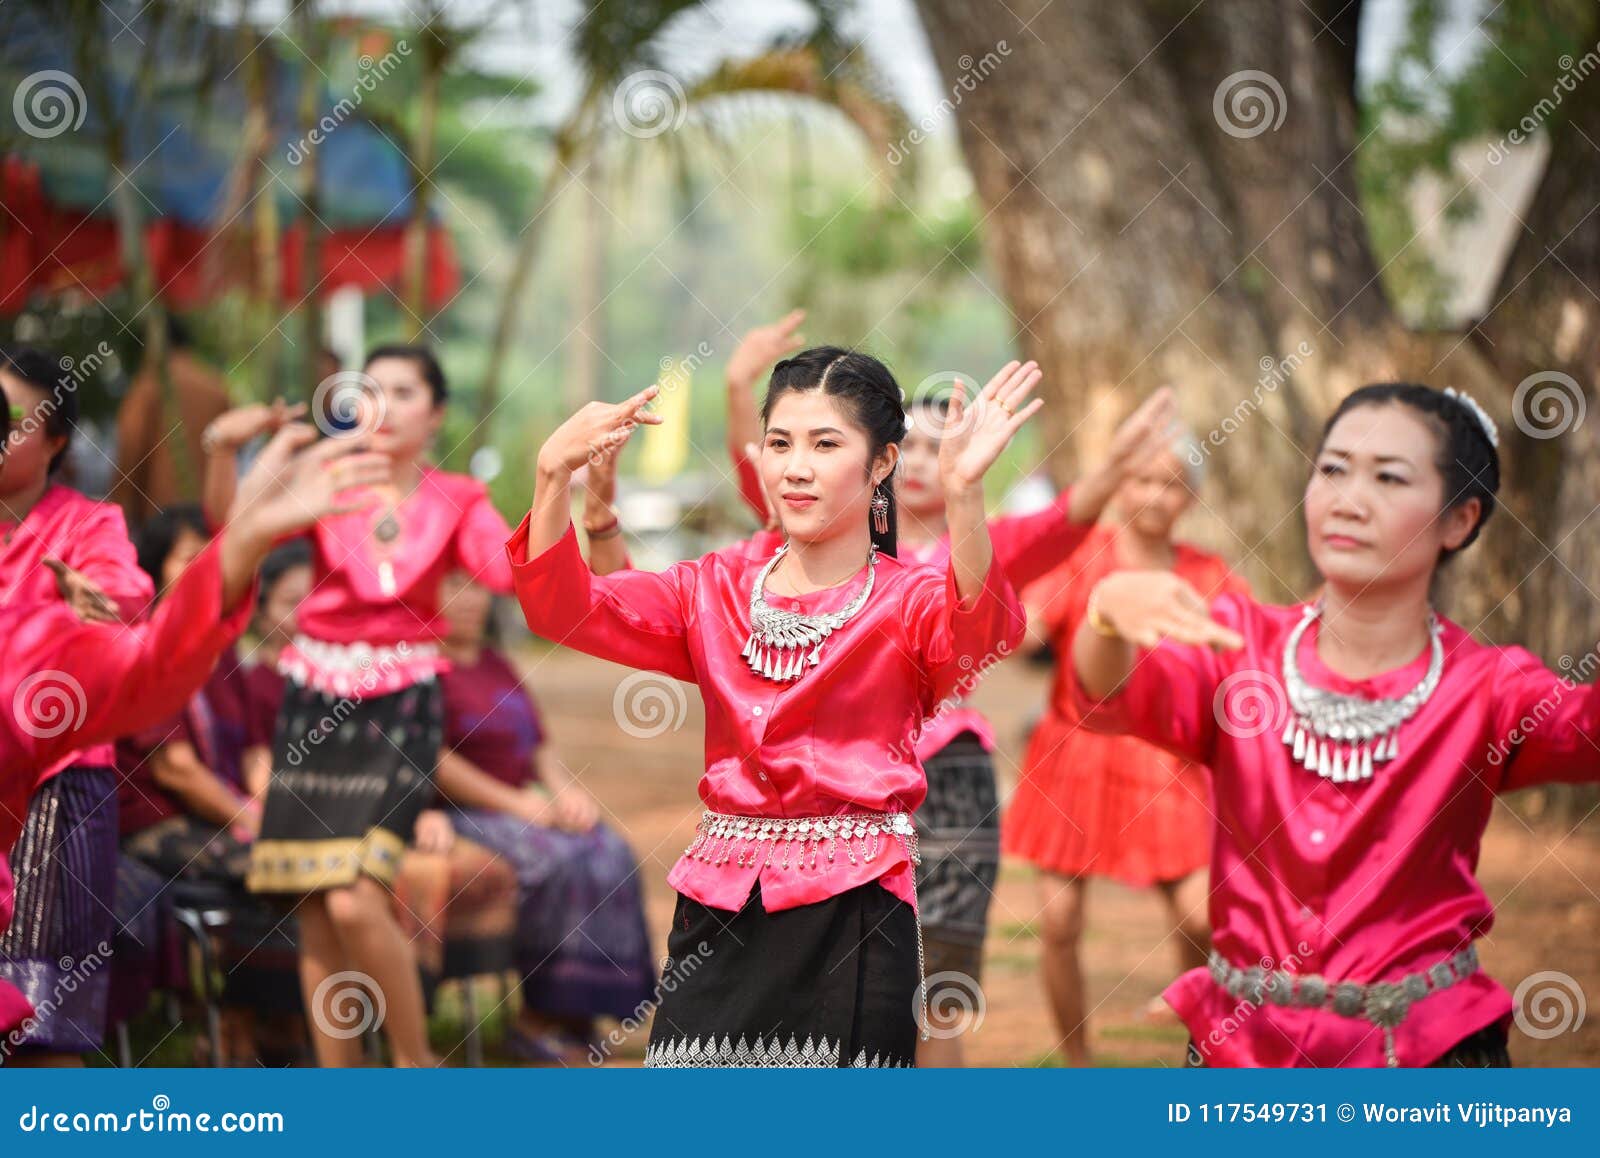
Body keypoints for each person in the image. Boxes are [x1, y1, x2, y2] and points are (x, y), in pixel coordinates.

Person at [509, 349, 1041, 1067]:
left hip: (852, 909)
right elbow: (564, 610)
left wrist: (965, 494)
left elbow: (981, 628)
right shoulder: (712, 588)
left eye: (826, 444)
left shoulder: (907, 601)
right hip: (718, 909)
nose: (796, 466)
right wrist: (552, 476)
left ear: (882, 463)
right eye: (782, 443)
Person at [1069, 383, 1600, 1067]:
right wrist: (1105, 610)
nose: (1349, 499)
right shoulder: (1237, 645)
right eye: (1333, 468)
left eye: (1388, 477)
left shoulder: (1489, 688)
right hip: (1242, 1057)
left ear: (1458, 521)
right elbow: (1109, 692)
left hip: (1425, 1057)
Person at [722, 317, 1177, 1065]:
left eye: (948, 446)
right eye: (918, 448)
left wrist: (1116, 465)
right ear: (885, 460)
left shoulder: (990, 545)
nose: (931, 463)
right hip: (847, 791)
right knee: (841, 997)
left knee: (938, 998)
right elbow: (763, 477)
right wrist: (740, 386)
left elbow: (1073, 516)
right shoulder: (836, 545)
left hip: (953, 785)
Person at [0, 411, 394, 1049]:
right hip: (150, 822)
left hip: (152, 813)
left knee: (325, 875)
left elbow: (158, 665)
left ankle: (296, 1052)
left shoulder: (35, 644)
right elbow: (173, 752)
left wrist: (244, 533)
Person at [207, 344, 517, 1068]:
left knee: (353, 898)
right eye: (371, 389)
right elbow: (238, 527)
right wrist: (233, 449)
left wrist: (567, 490)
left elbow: (506, 570)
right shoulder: (329, 479)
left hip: (401, 705)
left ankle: (414, 1067)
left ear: (436, 414)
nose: (382, 405)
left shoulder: (458, 498)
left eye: (404, 392)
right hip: (313, 697)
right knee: (314, 908)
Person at [1006, 434, 1248, 1065]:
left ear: (1190, 496)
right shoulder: (1083, 557)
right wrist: (1016, 625)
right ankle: (1076, 1062)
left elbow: (1246, 653)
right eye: (1140, 479)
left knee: (1200, 919)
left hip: (1167, 763)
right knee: (1058, 923)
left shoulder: (1207, 573)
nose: (1153, 495)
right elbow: (1028, 631)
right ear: (1118, 486)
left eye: (1170, 483)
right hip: (1075, 754)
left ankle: (1205, 1048)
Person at [0, 345, 155, 1063]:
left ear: (56, 438)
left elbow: (125, 591)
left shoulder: (87, 526)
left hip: (55, 789)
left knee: (43, 1030)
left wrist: (101, 606)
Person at [436, 571, 654, 1062]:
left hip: (524, 801)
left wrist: (565, 793)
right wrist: (519, 806)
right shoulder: (422, 670)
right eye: (453, 586)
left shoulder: (495, 662)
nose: (468, 599)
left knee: (607, 850)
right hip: (462, 813)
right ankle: (537, 1017)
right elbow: (435, 762)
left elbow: (539, 743)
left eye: (475, 587)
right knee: (555, 862)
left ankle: (581, 1015)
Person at [111, 315, 232, 528]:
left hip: (161, 521)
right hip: (211, 516)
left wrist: (120, 517)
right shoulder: (216, 387)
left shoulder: (149, 385)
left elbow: (131, 454)